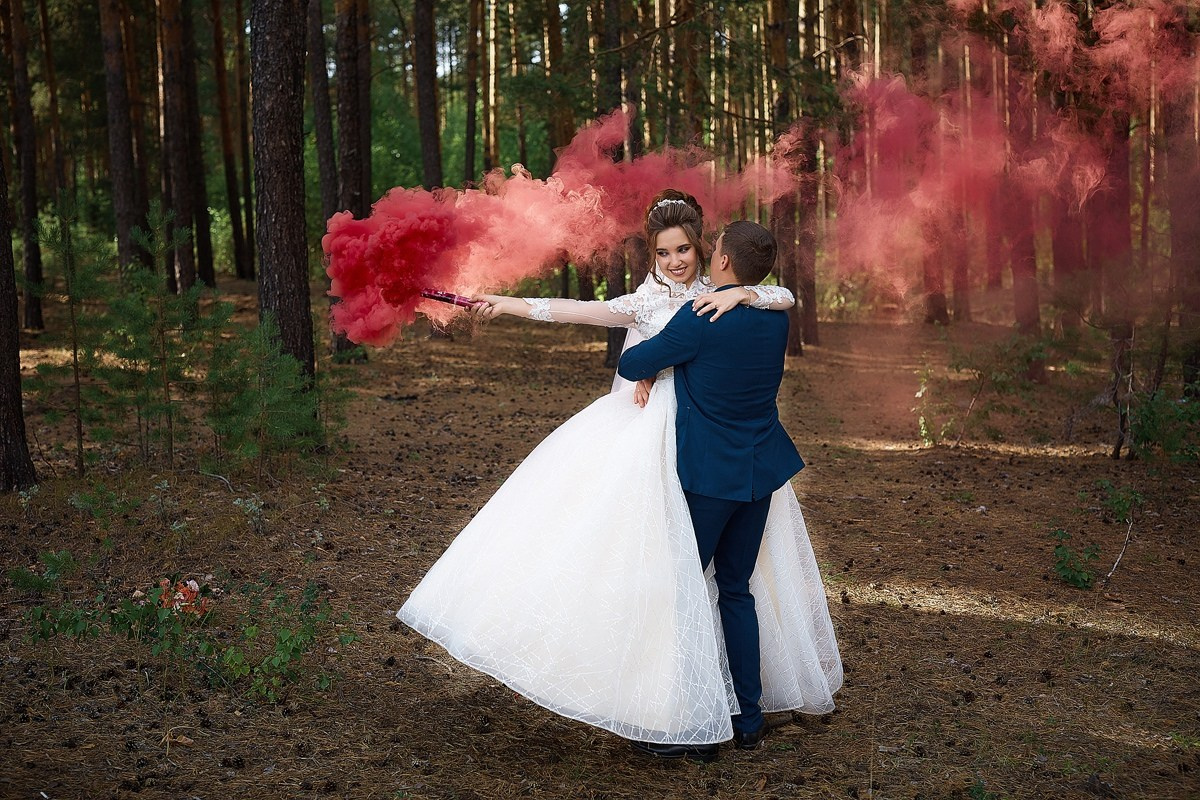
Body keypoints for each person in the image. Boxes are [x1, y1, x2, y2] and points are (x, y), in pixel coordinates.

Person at [396, 189, 841, 756]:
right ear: (652, 256)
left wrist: (697, 327)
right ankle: (737, 714)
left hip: (704, 459)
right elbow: (573, 310)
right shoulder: (709, 307)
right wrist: (506, 303)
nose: (676, 261)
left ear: (710, 252)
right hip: (731, 457)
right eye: (663, 253)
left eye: (685, 249)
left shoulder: (713, 305)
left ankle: (692, 722)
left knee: (679, 585)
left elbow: (663, 347)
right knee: (719, 584)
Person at [617, 220, 803, 761]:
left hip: (709, 477)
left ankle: (693, 726)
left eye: (712, 247)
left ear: (721, 261)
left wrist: (656, 356)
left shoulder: (698, 317)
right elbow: (778, 296)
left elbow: (632, 363)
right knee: (736, 589)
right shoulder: (773, 317)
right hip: (758, 471)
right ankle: (748, 718)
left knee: (683, 591)